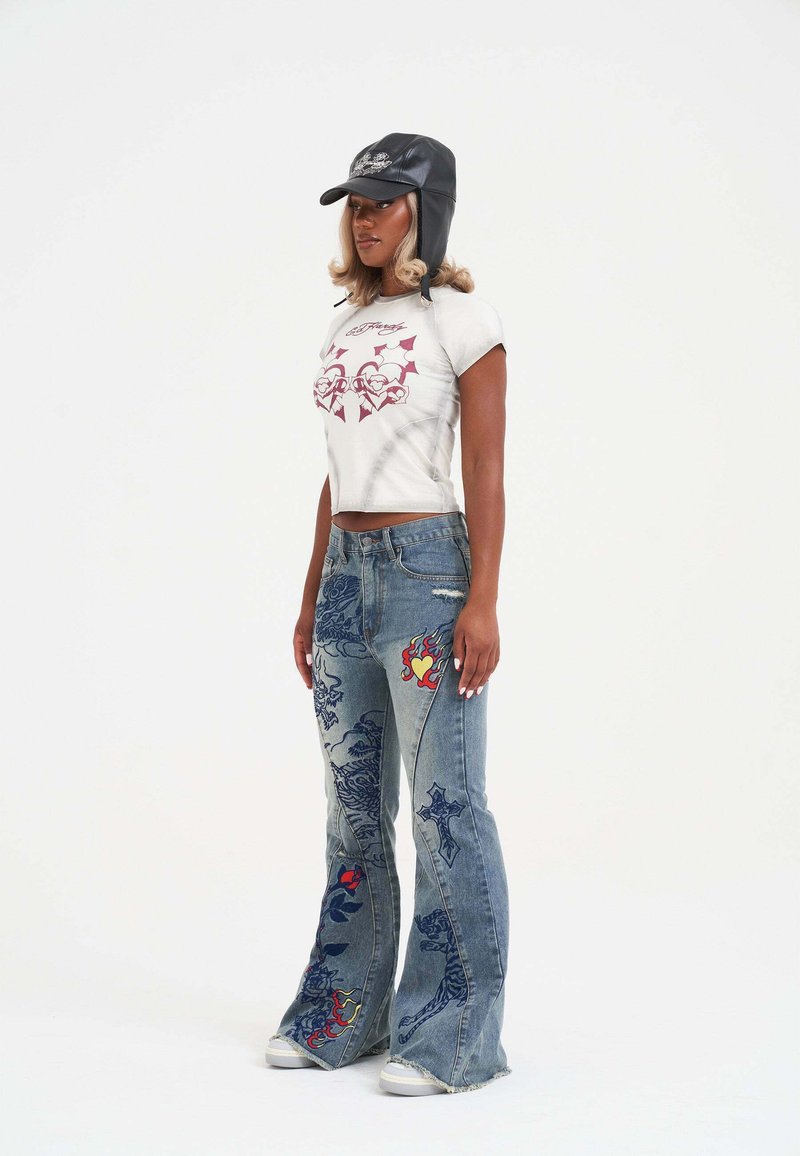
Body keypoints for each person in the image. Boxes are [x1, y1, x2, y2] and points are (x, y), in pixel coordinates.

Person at [265, 132, 511, 1095]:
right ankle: (345, 1014)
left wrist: (484, 597)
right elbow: (337, 475)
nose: (363, 220)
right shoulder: (346, 327)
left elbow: (485, 467)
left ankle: (454, 1037)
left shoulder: (463, 319)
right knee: (354, 810)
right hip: (346, 579)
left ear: (426, 211)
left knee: (446, 807)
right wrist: (310, 592)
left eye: (382, 203)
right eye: (355, 206)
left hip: (427, 575)